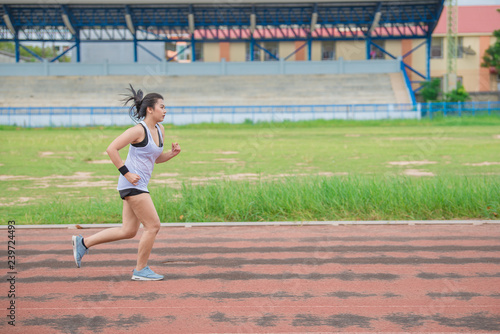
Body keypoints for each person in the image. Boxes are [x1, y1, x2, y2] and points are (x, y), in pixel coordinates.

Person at [72, 85, 181, 281]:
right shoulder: (137, 130)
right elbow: (111, 149)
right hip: (132, 184)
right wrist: (127, 173)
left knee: (129, 230)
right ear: (150, 109)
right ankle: (141, 269)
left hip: (138, 184)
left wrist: (171, 155)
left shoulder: (160, 129)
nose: (165, 110)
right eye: (162, 107)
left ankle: (83, 243)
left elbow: (154, 159)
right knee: (153, 225)